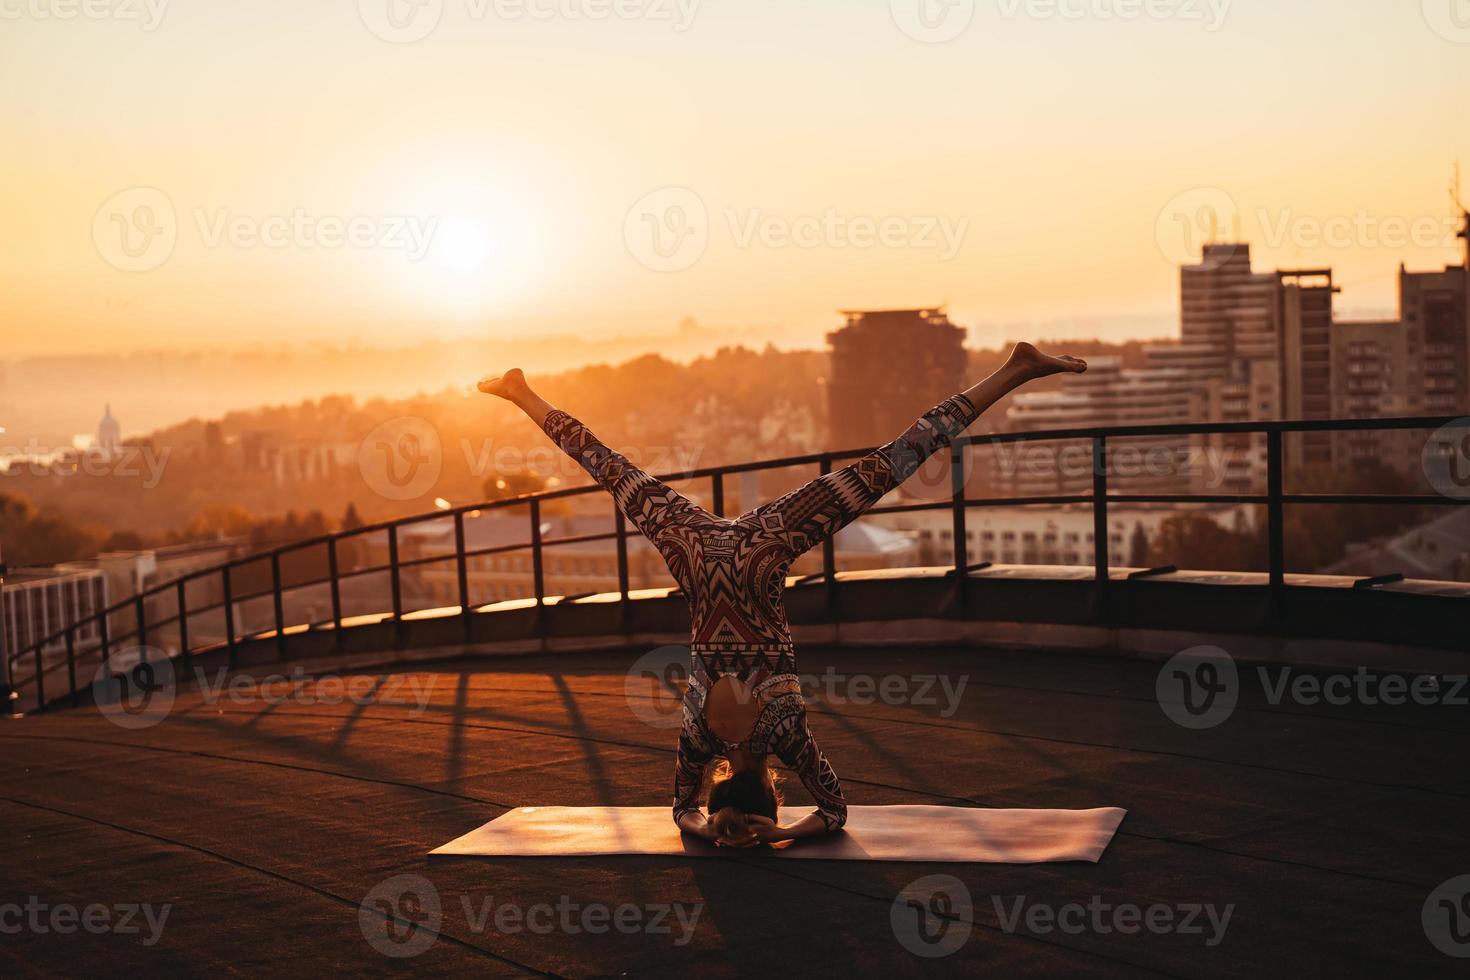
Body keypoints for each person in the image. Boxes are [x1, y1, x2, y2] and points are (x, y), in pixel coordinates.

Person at [479, 342, 1087, 847]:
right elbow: (683, 812)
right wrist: (733, 827)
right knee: (608, 465)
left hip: (753, 550)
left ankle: (1013, 370)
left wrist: (779, 831)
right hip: (711, 548)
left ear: (773, 785)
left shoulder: (783, 733)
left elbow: (829, 813)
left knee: (888, 466)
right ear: (723, 782)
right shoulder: (702, 737)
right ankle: (521, 393)